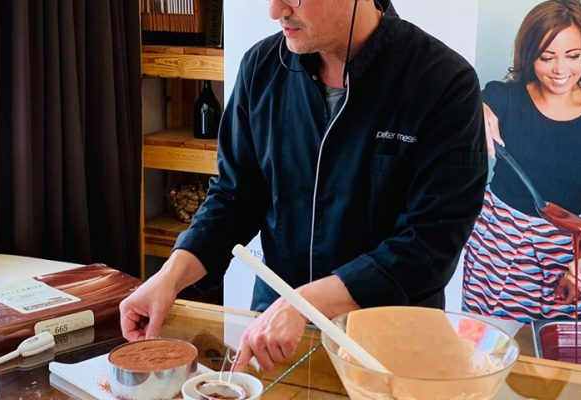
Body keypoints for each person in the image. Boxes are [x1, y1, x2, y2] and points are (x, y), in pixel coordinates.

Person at [121, 0, 487, 371]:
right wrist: (169, 277)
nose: (275, 10)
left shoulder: (442, 82)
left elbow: (430, 242)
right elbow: (233, 198)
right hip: (274, 338)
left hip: (387, 348)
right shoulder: (261, 68)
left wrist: (305, 303)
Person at [462, 0, 581, 323]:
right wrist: (477, 110)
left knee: (558, 345)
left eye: (573, 56)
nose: (560, 70)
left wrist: (580, 266)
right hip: (498, 242)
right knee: (490, 338)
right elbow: (475, 105)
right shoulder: (506, 97)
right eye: (546, 57)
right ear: (529, 54)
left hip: (567, 245)